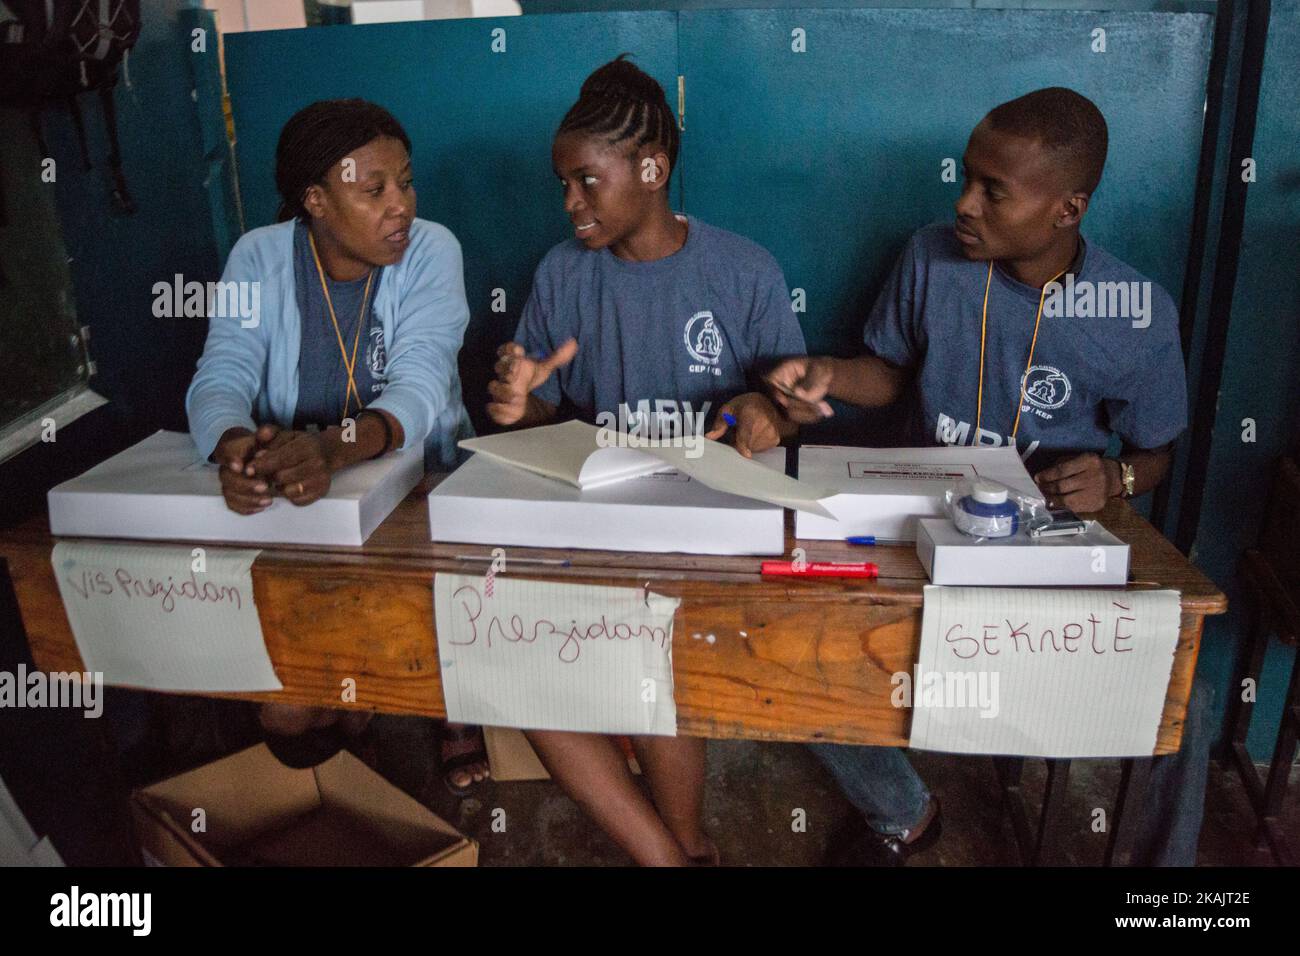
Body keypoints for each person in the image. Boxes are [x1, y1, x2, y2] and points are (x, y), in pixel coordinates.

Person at [766, 87, 1210, 866]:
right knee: (787, 620)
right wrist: (829, 373)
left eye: (991, 190)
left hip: (1043, 536)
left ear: (1067, 209)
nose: (964, 204)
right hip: (920, 518)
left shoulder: (1133, 309)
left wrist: (1117, 483)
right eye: (965, 179)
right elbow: (891, 375)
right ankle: (903, 811)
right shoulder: (931, 256)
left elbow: (1156, 451)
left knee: (1187, 689)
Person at [487, 55, 806, 865]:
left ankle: (684, 848)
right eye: (562, 184)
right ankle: (675, 858)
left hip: (707, 528)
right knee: (513, 660)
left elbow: (787, 407)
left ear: (652, 169)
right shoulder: (564, 271)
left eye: (586, 181)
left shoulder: (743, 271)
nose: (569, 203)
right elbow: (554, 419)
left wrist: (766, 410)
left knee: (648, 662)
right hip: (601, 515)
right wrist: (526, 403)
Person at [185, 98, 489, 794]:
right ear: (315, 200)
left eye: (406, 182)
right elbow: (220, 373)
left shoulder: (432, 250)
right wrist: (235, 448)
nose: (401, 206)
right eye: (373, 189)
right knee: (293, 711)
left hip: (422, 484)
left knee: (427, 627)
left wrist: (330, 449)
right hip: (307, 501)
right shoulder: (258, 257)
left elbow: (419, 386)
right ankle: (354, 742)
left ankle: (447, 705)